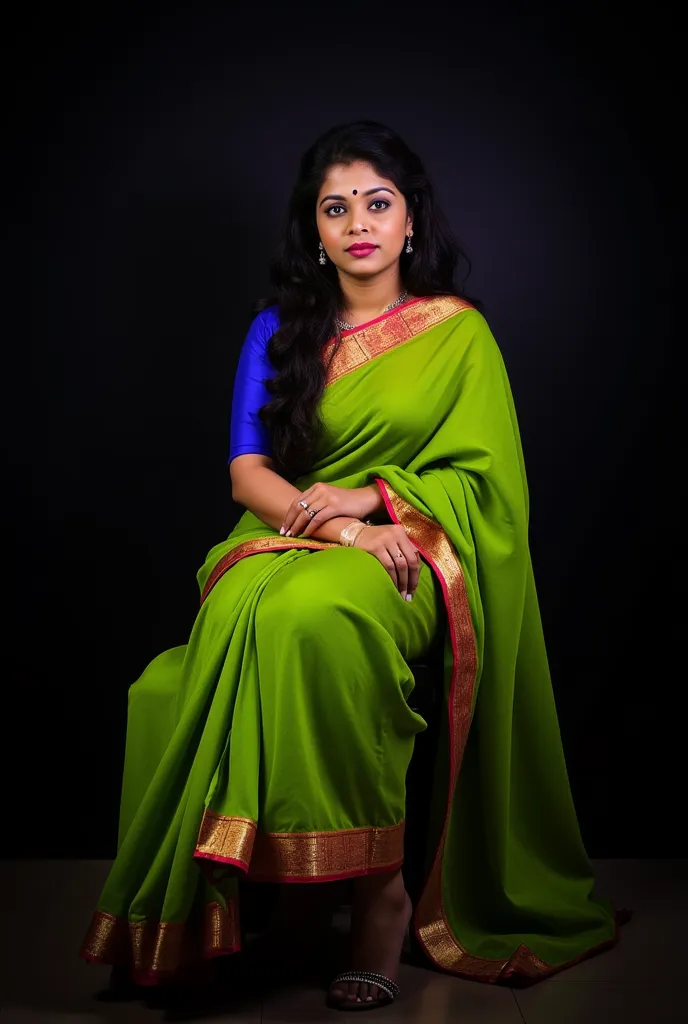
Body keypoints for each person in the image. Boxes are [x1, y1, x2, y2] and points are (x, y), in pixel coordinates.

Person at [80, 120, 624, 1012]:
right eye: (337, 209)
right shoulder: (278, 330)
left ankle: (379, 900)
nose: (358, 223)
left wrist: (372, 502)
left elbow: (488, 482)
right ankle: (258, 898)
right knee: (203, 659)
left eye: (378, 203)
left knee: (314, 622)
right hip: (288, 543)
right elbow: (247, 471)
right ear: (315, 229)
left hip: (415, 553)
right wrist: (332, 528)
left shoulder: (458, 336)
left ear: (411, 221)